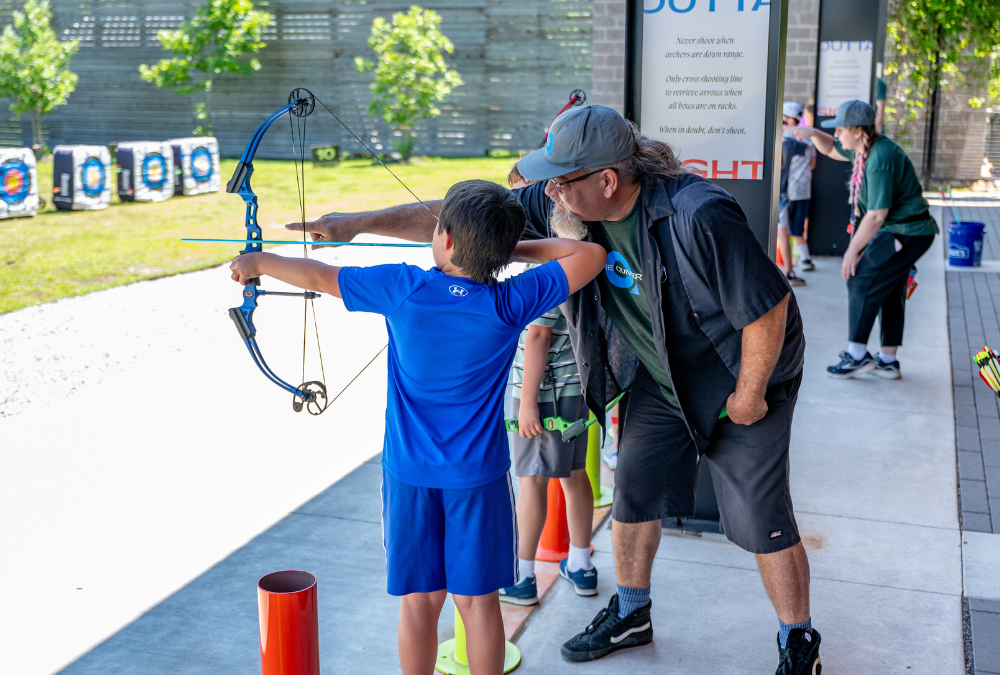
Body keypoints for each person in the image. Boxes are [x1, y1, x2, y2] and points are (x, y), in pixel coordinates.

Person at [290, 105, 820, 675]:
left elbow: (769, 306)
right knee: (634, 490)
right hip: (662, 376)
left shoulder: (699, 212)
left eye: (559, 182)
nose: (548, 193)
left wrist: (750, 391)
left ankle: (797, 639)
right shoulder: (567, 196)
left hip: (740, 375)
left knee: (762, 515)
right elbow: (461, 226)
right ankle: (633, 611)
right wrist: (358, 223)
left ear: (607, 180)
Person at [236, 179, 606, 675]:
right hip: (477, 479)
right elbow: (588, 253)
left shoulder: (404, 287)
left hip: (410, 476)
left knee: (419, 603)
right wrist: (501, 249)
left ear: (446, 239)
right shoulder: (509, 301)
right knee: (478, 604)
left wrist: (256, 263)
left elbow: (319, 275)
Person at [795, 100, 938, 380]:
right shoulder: (865, 148)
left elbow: (876, 216)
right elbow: (830, 148)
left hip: (908, 232)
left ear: (858, 131)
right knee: (889, 286)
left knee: (860, 278)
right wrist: (812, 133)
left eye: (840, 130)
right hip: (903, 229)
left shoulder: (879, 159)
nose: (836, 135)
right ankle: (888, 360)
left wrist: (851, 251)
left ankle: (858, 355)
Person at [502, 293, 599, 604]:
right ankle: (581, 566)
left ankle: (522, 577)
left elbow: (539, 334)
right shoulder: (582, 259)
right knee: (574, 473)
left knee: (532, 480)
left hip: (545, 392)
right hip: (575, 383)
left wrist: (527, 403)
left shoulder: (548, 266)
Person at [783, 102, 817, 273]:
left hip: (788, 190)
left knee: (786, 230)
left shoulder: (785, 137)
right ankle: (805, 259)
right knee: (796, 228)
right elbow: (812, 164)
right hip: (804, 189)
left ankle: (797, 262)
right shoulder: (809, 137)